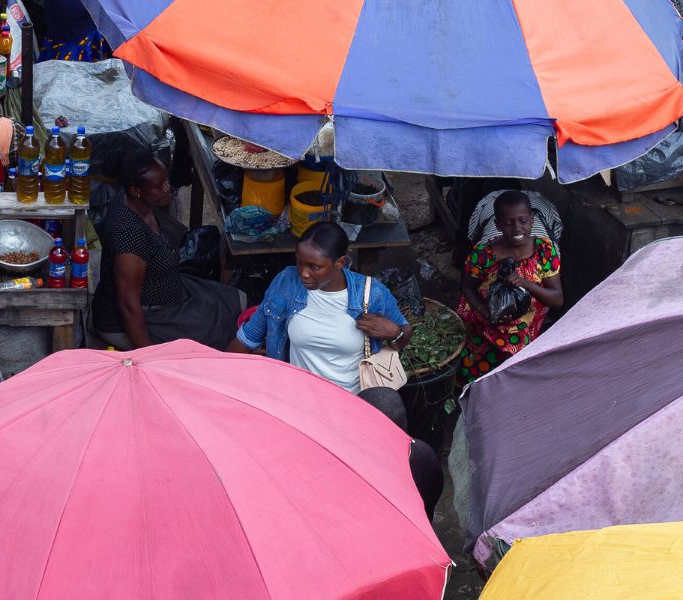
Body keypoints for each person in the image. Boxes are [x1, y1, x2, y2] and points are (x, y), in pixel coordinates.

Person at [228, 224, 442, 515]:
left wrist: (392, 331)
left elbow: (403, 335)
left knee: (386, 407)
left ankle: (390, 489)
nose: (303, 272)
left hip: (351, 403)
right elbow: (250, 336)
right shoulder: (286, 284)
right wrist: (219, 376)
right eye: (299, 262)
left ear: (340, 263)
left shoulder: (371, 294)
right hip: (298, 402)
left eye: (314, 267)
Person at [91, 148, 243, 350]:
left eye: (166, 180)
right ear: (136, 191)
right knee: (226, 330)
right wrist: (148, 356)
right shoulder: (129, 236)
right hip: (149, 316)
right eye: (159, 186)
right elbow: (129, 305)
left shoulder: (135, 202)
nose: (167, 188)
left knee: (234, 301)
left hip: (171, 291)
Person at [456, 190, 564, 381]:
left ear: (532, 220)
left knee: (514, 376)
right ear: (498, 225)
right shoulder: (483, 254)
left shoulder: (544, 251)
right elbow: (467, 288)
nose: (517, 228)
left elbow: (557, 300)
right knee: (480, 376)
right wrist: (484, 310)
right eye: (508, 223)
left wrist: (525, 284)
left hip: (523, 330)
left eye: (523, 221)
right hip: (484, 326)